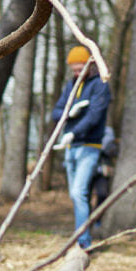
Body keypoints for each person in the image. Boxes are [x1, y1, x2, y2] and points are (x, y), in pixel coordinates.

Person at [51, 45, 110, 250]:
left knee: (78, 193)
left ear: (90, 65)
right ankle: (80, 236)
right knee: (75, 195)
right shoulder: (71, 86)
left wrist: (74, 132)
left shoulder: (100, 85)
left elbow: (95, 116)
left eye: (80, 69)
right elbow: (56, 112)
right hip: (71, 147)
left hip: (89, 146)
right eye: (74, 70)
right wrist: (69, 114)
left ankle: (83, 242)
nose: (77, 73)